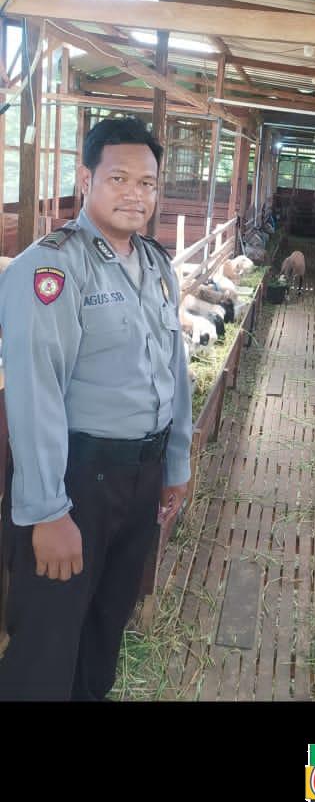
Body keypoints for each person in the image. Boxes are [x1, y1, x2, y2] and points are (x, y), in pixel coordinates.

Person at [0, 115, 193, 701]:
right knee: (48, 640)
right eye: (119, 178)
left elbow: (175, 369)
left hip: (141, 478)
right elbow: (35, 392)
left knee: (106, 626)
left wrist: (176, 463)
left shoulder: (156, 266)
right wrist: (47, 510)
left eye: (147, 183)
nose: (135, 194)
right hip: (77, 481)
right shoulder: (52, 268)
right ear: (86, 179)